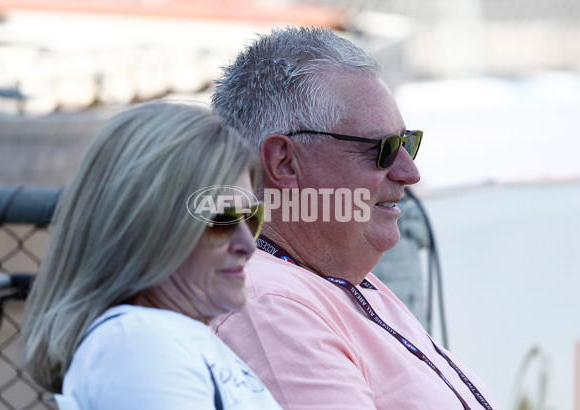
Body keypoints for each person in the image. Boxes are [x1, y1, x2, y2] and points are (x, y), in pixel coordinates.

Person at [211, 27, 498, 409]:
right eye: (382, 149)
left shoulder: (330, 277)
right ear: (284, 162)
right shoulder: (269, 302)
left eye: (407, 142)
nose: (409, 172)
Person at [21, 102, 282, 409]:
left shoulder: (163, 337)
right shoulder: (138, 342)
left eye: (251, 217)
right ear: (147, 226)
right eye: (221, 220)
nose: (248, 245)